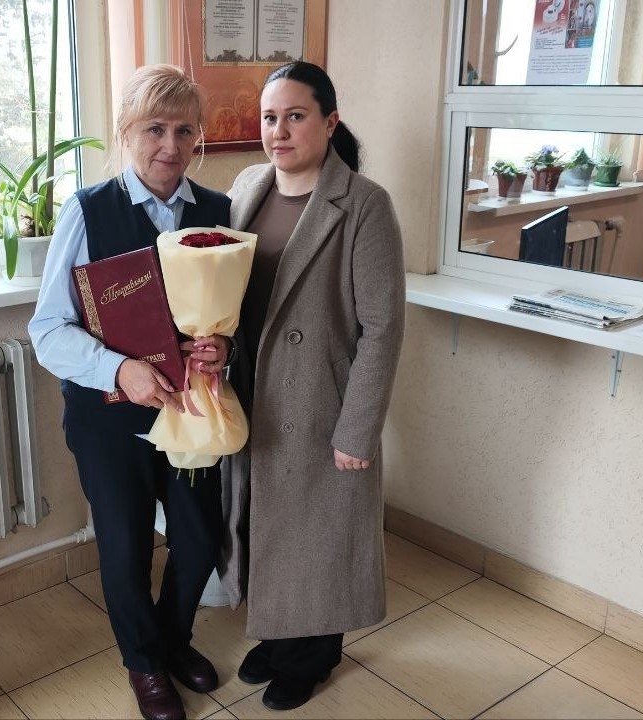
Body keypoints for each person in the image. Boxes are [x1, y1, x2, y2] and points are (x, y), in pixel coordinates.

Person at [28, 64, 232, 720]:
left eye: (184, 131)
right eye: (154, 129)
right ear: (125, 132)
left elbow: (231, 314)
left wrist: (223, 349)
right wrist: (119, 370)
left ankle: (172, 641)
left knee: (200, 536)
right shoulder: (88, 210)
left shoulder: (218, 213)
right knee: (126, 545)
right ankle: (144, 665)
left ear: (198, 137)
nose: (170, 146)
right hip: (108, 417)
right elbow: (47, 330)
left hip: (190, 409)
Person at [221, 61, 405, 711]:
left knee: (317, 534)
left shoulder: (364, 204)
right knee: (267, 522)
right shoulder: (247, 186)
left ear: (329, 123)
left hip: (319, 397)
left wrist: (358, 429)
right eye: (270, 117)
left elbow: (383, 327)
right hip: (252, 387)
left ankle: (314, 654)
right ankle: (277, 637)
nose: (279, 130)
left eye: (295, 116)